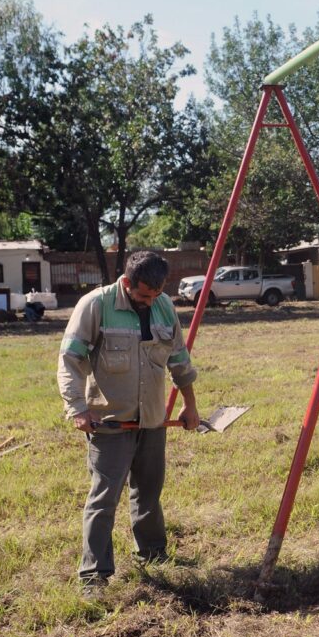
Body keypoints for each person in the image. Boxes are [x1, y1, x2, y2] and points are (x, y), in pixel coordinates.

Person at [57, 251, 202, 596]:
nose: (149, 302)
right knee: (104, 498)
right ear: (127, 283)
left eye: (154, 295)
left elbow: (179, 361)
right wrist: (77, 408)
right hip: (110, 424)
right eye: (142, 296)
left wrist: (190, 404)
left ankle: (153, 554)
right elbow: (71, 359)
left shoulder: (164, 307)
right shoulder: (95, 305)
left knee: (149, 493)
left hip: (151, 421)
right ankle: (94, 575)